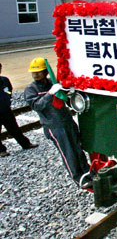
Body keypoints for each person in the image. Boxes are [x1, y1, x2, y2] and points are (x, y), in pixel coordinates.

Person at [24, 58, 89, 186]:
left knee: (77, 148)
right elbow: (37, 106)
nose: (35, 74)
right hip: (54, 126)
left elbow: (66, 100)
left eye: (38, 71)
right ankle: (78, 178)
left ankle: (87, 172)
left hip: (67, 121)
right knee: (68, 153)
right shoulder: (31, 89)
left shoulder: (53, 83)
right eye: (33, 72)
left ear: (46, 72)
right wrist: (49, 94)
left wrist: (68, 91)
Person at [0, 62, 38, 157]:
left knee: (14, 128)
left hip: (6, 110)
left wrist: (7, 97)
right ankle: (1, 150)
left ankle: (25, 144)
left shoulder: (4, 80)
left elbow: (9, 90)